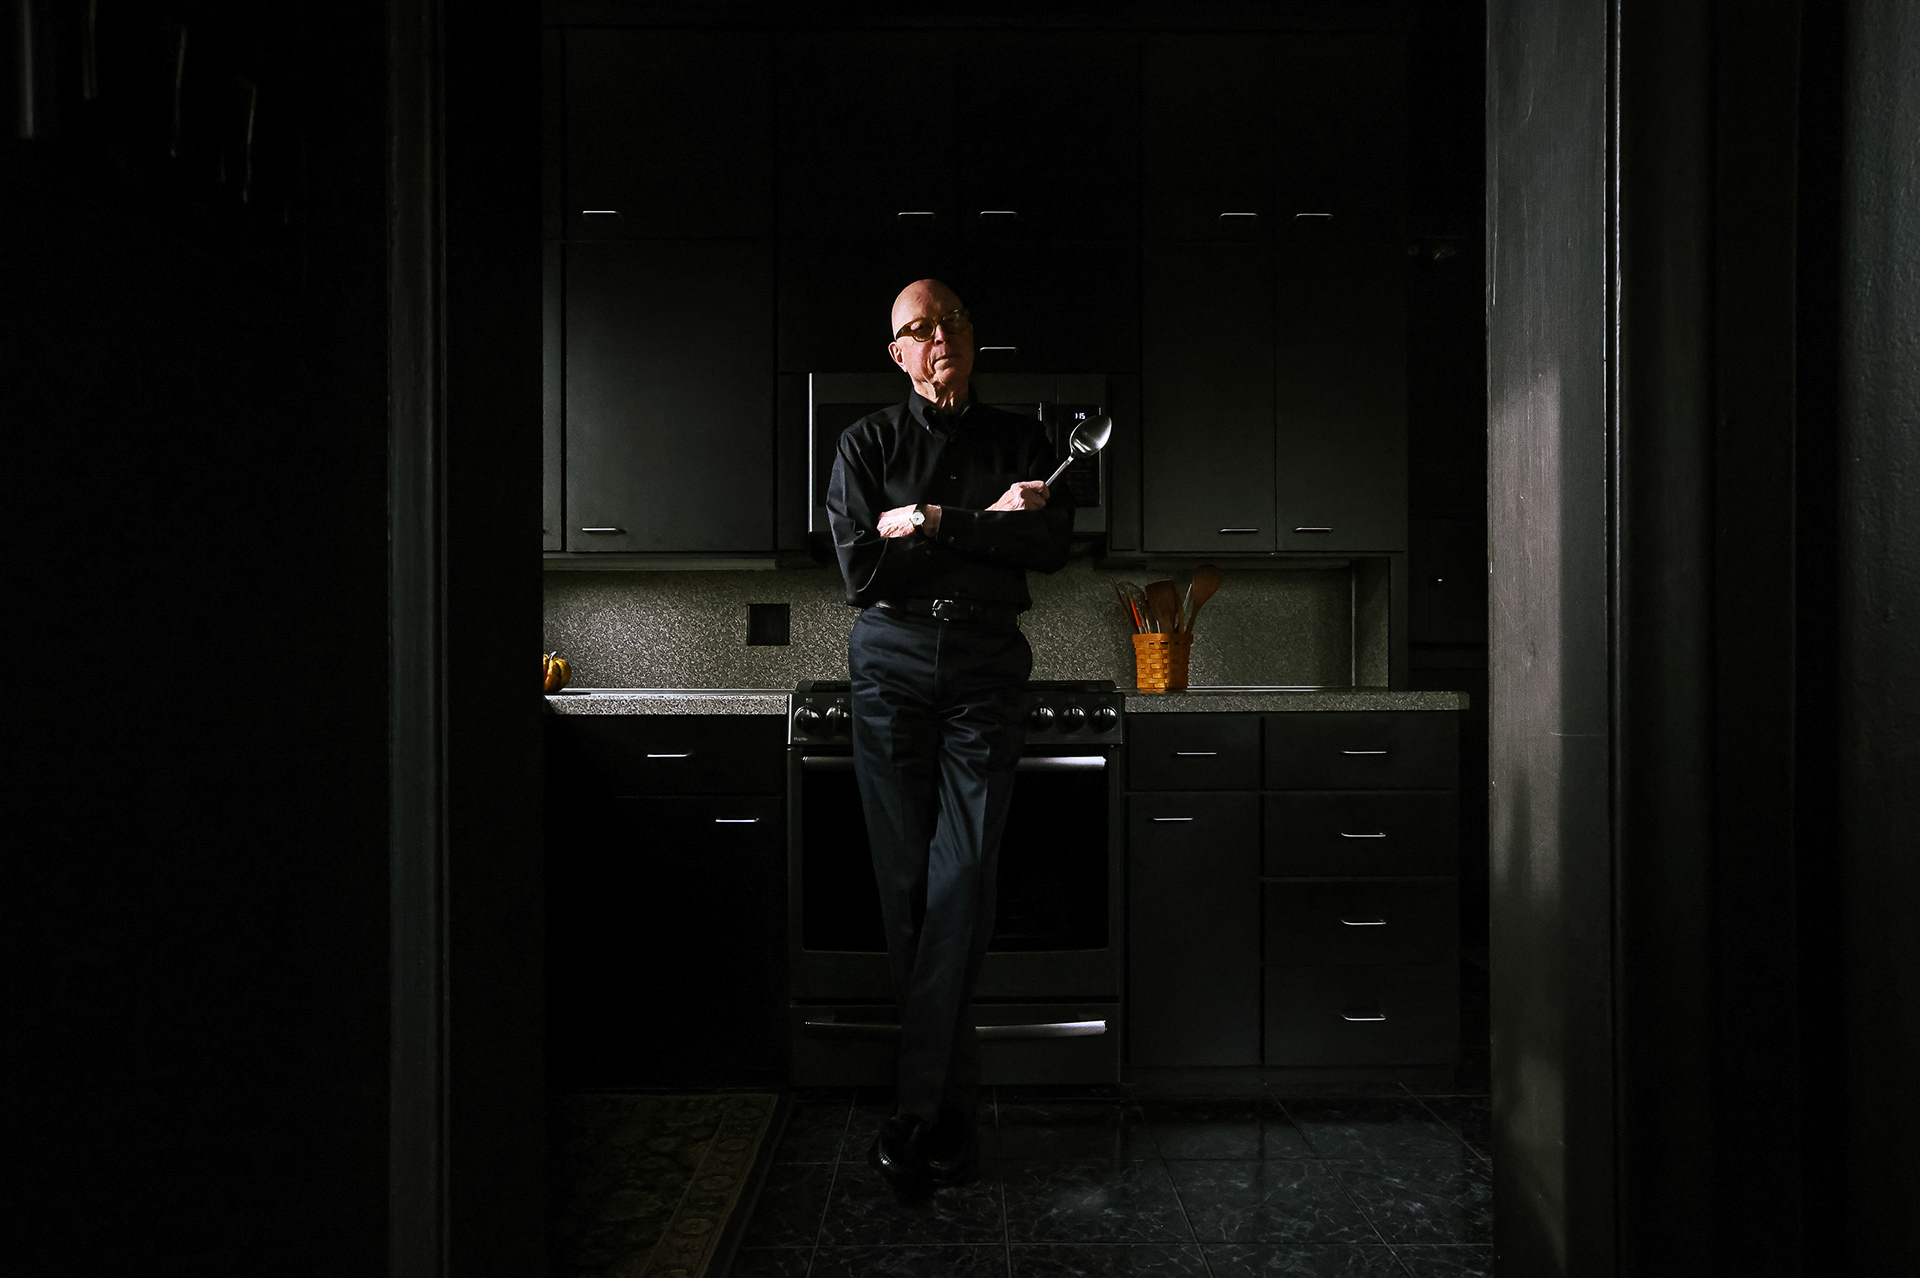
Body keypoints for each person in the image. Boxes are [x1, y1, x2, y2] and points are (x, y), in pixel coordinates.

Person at [826, 279, 1074, 1198]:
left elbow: (1051, 549)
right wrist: (990, 528)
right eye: (920, 330)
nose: (941, 339)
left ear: (975, 335)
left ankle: (918, 1105)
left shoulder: (1025, 439)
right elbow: (861, 567)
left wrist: (933, 523)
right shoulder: (864, 444)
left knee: (961, 876)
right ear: (898, 352)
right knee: (905, 887)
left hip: (982, 663)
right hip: (889, 657)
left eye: (954, 322)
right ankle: (949, 1110)